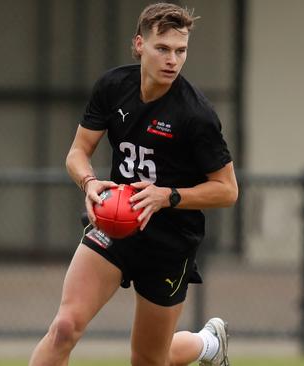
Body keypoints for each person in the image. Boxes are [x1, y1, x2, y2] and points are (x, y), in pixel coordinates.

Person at [29, 3, 238, 365]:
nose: (172, 59)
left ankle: (208, 344)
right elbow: (78, 152)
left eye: (181, 50)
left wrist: (166, 196)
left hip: (170, 242)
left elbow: (227, 190)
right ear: (140, 44)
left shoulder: (196, 115)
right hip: (116, 224)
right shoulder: (114, 87)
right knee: (64, 327)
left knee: (148, 359)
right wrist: (89, 182)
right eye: (163, 48)